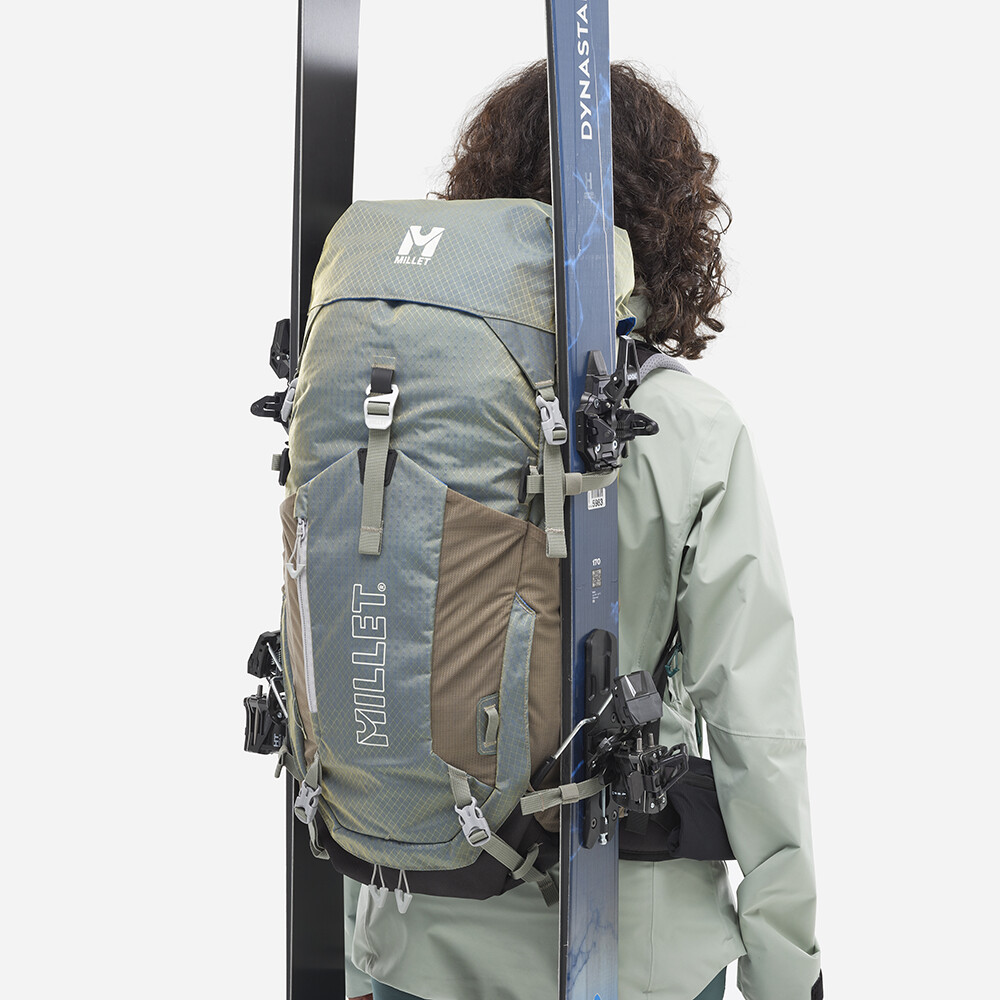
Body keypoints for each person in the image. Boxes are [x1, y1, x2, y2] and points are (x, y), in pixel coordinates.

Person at [344, 61, 823, 1000]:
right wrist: (785, 969)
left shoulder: (399, 407)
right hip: (637, 956)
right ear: (668, 223)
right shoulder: (687, 428)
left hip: (415, 940)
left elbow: (360, 647)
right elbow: (757, 729)